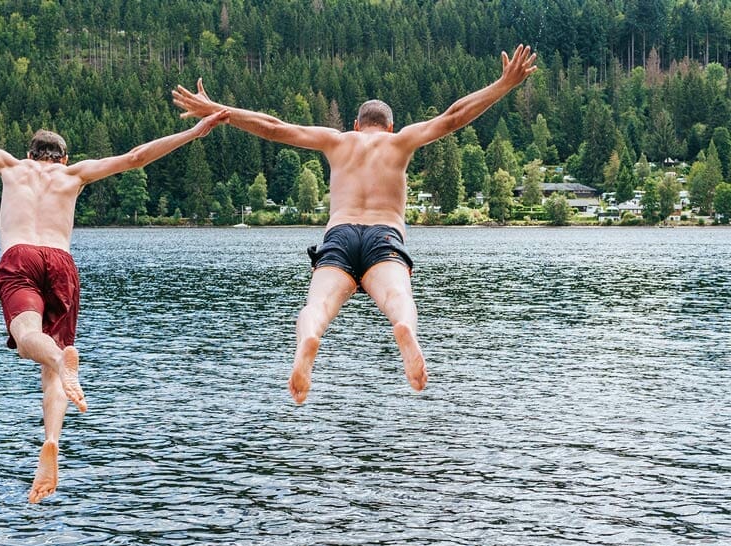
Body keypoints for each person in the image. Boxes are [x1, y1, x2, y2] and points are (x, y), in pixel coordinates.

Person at [0, 60, 228, 502]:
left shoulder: (10, 167)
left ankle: (61, 364)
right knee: (50, 364)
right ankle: (53, 439)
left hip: (20, 255)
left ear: (29, 155)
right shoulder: (74, 174)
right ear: (62, 157)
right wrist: (195, 133)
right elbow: (137, 157)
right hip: (60, 261)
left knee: (26, 339)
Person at [173, 45, 538, 403]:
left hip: (340, 234)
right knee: (398, 298)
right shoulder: (401, 141)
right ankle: (405, 329)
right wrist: (503, 84)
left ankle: (308, 342)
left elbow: (274, 127)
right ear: (390, 126)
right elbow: (454, 115)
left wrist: (220, 110)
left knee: (317, 307)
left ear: (355, 125)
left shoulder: (337, 141)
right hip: (384, 235)